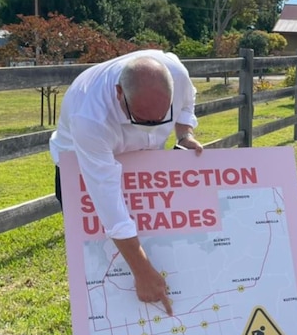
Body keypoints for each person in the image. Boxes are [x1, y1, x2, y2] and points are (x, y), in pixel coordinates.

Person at [50, 50, 204, 316]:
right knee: (103, 262)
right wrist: (142, 271)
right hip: (83, 168)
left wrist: (184, 133)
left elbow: (187, 104)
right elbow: (107, 200)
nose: (153, 128)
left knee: (160, 244)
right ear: (120, 93)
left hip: (143, 169)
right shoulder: (90, 117)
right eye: (142, 120)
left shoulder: (177, 74)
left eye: (160, 118)